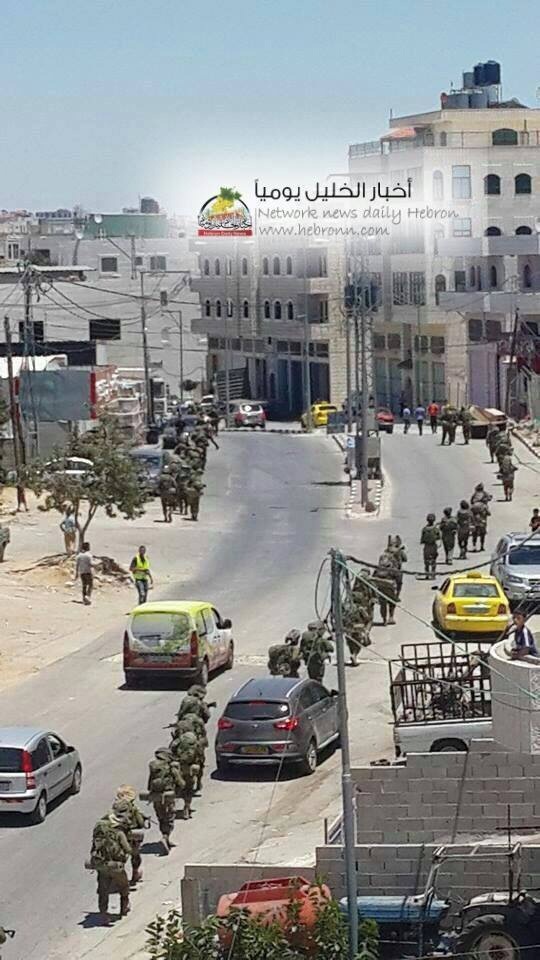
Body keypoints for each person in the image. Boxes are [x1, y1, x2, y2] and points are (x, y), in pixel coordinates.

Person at [87, 811, 132, 924]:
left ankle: (103, 914)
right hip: (116, 866)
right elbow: (128, 849)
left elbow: (93, 851)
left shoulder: (98, 836)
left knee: (103, 890)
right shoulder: (119, 833)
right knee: (124, 885)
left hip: (102, 867)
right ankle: (124, 907)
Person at [147, 747, 184, 854]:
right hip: (168, 796)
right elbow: (180, 783)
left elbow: (149, 783)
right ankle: (165, 837)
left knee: (161, 817)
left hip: (156, 796)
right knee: (170, 817)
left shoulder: (153, 766)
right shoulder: (170, 767)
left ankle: (165, 838)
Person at [112, 786, 148, 887]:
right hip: (131, 836)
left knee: (120, 856)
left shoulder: (115, 807)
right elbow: (140, 823)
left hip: (118, 835)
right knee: (135, 856)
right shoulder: (132, 808)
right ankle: (135, 875)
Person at [420, 513, 440, 579]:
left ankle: (427, 574)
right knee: (433, 560)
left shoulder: (424, 529)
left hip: (427, 546)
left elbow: (422, 539)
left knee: (426, 561)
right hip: (433, 546)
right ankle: (433, 574)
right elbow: (438, 537)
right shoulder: (435, 529)